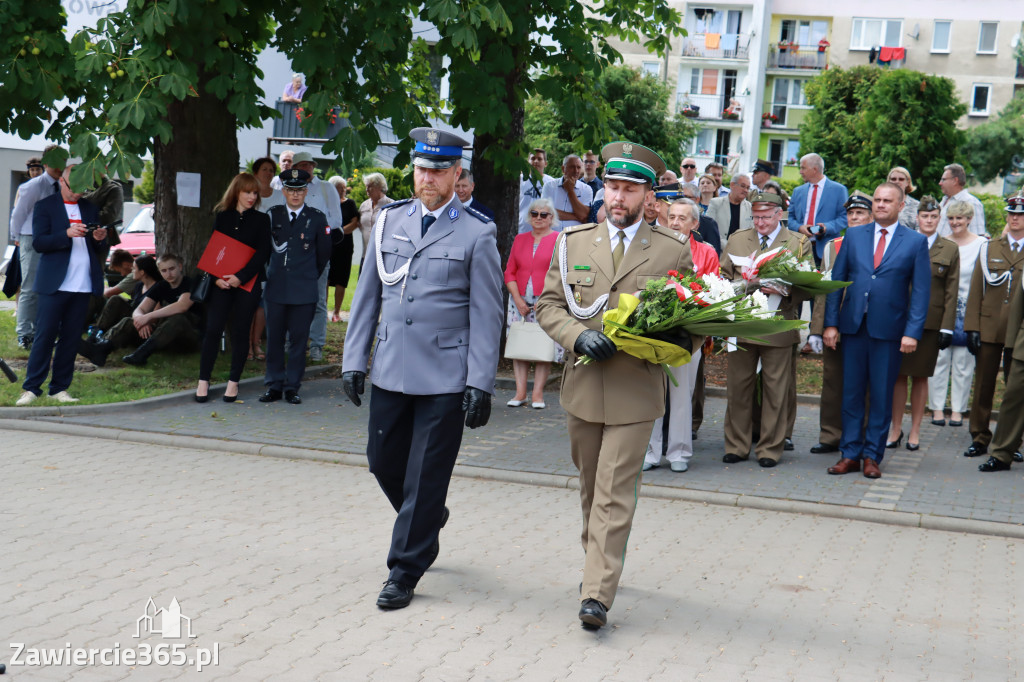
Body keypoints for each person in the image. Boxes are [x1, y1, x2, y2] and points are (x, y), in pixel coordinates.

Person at [535, 141, 697, 630]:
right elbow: (548, 306)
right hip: (584, 386)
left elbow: (687, 326)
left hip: (635, 390)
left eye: (629, 188)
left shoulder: (672, 249)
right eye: (612, 186)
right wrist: (578, 335)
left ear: (649, 196)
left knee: (613, 490)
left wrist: (657, 340)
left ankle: (597, 594)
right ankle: (599, 562)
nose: (618, 196)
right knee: (590, 488)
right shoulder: (573, 242)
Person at [341, 127, 503, 611]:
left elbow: (487, 313)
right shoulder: (390, 221)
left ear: (457, 174)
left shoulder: (478, 232)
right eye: (421, 168)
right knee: (381, 461)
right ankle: (427, 516)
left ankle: (405, 569)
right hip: (391, 366)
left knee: (426, 473)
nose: (427, 177)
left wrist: (480, 382)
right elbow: (367, 296)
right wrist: (354, 360)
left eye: (437, 169)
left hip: (446, 375)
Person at [823, 182, 931, 480]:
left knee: (882, 397)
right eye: (878, 200)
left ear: (900, 205)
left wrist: (912, 332)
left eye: (888, 201)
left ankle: (872, 456)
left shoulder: (914, 242)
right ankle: (849, 454)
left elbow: (921, 293)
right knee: (852, 394)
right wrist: (830, 324)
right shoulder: (854, 236)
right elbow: (836, 283)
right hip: (854, 328)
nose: (881, 205)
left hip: (890, 332)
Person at [720, 191, 810, 467]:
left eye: (765, 217)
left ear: (778, 214)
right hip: (742, 323)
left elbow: (809, 284)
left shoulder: (796, 243)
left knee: (776, 390)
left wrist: (785, 290)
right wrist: (739, 287)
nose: (759, 222)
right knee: (738, 387)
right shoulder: (738, 239)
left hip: (778, 326)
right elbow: (723, 276)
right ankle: (737, 444)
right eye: (755, 216)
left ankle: (771, 447)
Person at [15, 159, 108, 407]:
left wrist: (100, 238)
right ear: (62, 181)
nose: (79, 192)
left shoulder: (90, 207)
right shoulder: (45, 206)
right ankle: (31, 388)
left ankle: (59, 388)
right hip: (54, 283)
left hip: (82, 284)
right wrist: (65, 234)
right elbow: (40, 243)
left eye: (84, 188)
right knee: (44, 336)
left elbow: (99, 246)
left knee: (70, 338)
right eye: (75, 187)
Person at [644, 198, 718, 473]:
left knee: (681, 393)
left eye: (682, 218)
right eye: (671, 216)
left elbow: (712, 292)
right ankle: (651, 452)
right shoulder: (655, 246)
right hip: (657, 333)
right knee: (653, 393)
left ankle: (679, 452)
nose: (675, 222)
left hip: (690, 335)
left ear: (694, 224)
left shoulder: (706, 253)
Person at [886, 195, 958, 450]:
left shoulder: (949, 249)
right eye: (924, 216)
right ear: (917, 218)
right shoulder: (904, 242)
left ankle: (915, 430)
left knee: (920, 377)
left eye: (933, 216)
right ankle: (895, 429)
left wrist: (947, 327)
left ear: (940, 219)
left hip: (929, 323)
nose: (928, 220)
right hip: (899, 319)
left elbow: (952, 291)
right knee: (897, 376)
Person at [195, 173, 272, 403]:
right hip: (221, 283)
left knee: (240, 331)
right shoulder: (223, 216)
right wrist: (217, 277)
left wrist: (240, 277)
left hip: (248, 284)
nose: (251, 196)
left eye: (254, 193)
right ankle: (203, 381)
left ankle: (233, 382)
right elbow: (214, 248)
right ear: (236, 192)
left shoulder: (261, 219)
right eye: (247, 192)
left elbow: (263, 253)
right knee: (212, 329)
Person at [807, 191, 873, 454]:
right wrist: (817, 328)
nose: (854, 217)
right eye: (851, 213)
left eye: (860, 213)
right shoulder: (832, 246)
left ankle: (863, 436)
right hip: (836, 323)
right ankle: (830, 435)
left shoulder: (877, 245)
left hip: (865, 324)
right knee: (833, 382)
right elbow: (824, 289)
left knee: (865, 384)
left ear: (871, 217)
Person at [259, 169, 331, 405]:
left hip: (304, 290)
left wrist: (307, 276)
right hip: (276, 288)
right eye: (290, 190)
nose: (295, 194)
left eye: (300, 190)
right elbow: (264, 252)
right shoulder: (273, 215)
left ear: (306, 192)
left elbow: (323, 256)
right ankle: (274, 385)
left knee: (299, 341)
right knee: (275, 339)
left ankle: (292, 387)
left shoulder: (317, 218)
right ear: (284, 191)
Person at [963, 196, 1024, 458]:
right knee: (983, 385)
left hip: (1019, 330)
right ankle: (979, 436)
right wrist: (971, 327)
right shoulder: (990, 248)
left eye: (1020, 215)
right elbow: (977, 288)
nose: (1015, 218)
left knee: (1016, 389)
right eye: (1011, 213)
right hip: (989, 325)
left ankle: (1013, 442)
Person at [79, 253, 201, 367]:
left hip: (188, 337)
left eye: (172, 269)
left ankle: (141, 354)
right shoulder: (161, 286)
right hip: (164, 337)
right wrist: (141, 320)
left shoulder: (190, 283)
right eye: (164, 271)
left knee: (178, 318)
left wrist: (147, 317)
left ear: (180, 266)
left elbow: (182, 306)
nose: (168, 274)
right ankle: (101, 349)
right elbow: (140, 309)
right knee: (128, 321)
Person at [927, 200, 984, 429]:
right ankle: (937, 408)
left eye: (959, 218)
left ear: (969, 219)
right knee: (939, 359)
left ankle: (959, 410)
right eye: (950, 218)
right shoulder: (942, 244)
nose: (955, 222)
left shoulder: (981, 244)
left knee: (963, 362)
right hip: (943, 308)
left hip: (969, 308)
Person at [504, 198, 560, 409]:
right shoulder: (520, 239)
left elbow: (560, 273)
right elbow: (509, 271)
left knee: (542, 345)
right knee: (520, 344)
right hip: (518, 300)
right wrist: (517, 298)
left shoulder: (558, 239)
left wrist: (546, 298)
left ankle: (537, 394)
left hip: (545, 300)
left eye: (543, 214)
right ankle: (520, 393)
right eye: (534, 214)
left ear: (551, 218)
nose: (538, 218)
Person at [10, 144, 64, 350]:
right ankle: (25, 334)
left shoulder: (61, 184)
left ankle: (46, 331)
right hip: (31, 238)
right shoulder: (33, 186)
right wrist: (16, 237)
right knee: (30, 287)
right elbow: (18, 213)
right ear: (47, 163)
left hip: (54, 238)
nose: (61, 166)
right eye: (57, 161)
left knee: (51, 288)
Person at [290, 152, 342, 362]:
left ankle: (317, 345)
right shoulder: (288, 188)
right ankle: (292, 343)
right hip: (293, 252)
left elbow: (337, 219)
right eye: (301, 165)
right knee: (292, 298)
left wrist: (315, 230)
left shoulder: (326, 188)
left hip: (318, 251)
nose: (306, 169)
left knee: (319, 300)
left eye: (309, 165)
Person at [788, 153, 849, 263]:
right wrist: (799, 227)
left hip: (827, 250)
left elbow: (845, 218)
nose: (800, 171)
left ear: (814, 169)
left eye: (803, 168)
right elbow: (789, 217)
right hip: (800, 249)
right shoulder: (798, 191)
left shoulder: (839, 190)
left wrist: (826, 227)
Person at [250, 157, 281, 360]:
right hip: (250, 253)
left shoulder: (280, 196)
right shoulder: (249, 196)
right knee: (248, 301)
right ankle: (246, 345)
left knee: (262, 302)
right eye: (264, 169)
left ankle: (257, 342)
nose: (268, 173)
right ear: (255, 173)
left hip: (273, 253)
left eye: (271, 170)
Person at [91, 254, 161, 336]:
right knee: (115, 299)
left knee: (125, 318)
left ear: (142, 272)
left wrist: (144, 320)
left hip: (144, 323)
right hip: (134, 315)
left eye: (134, 268)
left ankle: (103, 338)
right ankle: (98, 331)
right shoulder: (139, 285)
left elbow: (155, 317)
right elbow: (134, 304)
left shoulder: (158, 288)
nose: (132, 271)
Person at [327, 176, 360, 322]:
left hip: (345, 246)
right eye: (339, 188)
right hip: (328, 245)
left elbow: (355, 223)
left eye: (343, 188)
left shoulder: (350, 203)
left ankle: (336, 312)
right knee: (326, 278)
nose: (342, 190)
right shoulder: (327, 203)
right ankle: (323, 311)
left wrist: (339, 231)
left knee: (342, 279)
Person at [542, 154, 593, 229]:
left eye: (579, 167)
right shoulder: (549, 186)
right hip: (552, 236)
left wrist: (570, 190)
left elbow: (583, 215)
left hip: (575, 237)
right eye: (572, 167)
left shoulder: (586, 189)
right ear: (563, 169)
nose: (576, 171)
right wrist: (576, 216)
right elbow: (545, 212)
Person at [937, 163, 986, 237]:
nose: (940, 183)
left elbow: (977, 236)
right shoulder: (944, 200)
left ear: (955, 180)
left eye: (943, 179)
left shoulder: (971, 202)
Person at [677, 183, 722, 254]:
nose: (681, 200)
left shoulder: (709, 224)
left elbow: (714, 254)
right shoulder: (672, 221)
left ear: (697, 199)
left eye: (686, 197)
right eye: (679, 197)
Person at [706, 172, 752, 242]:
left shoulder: (749, 207)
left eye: (748, 188)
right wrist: (727, 246)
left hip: (741, 249)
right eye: (743, 186)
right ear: (732, 185)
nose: (745, 190)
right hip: (719, 248)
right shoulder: (716, 203)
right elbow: (709, 229)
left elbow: (751, 232)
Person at [358, 172, 393, 261]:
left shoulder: (392, 205)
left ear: (380, 186)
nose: (367, 189)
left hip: (383, 257)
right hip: (365, 256)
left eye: (370, 186)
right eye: (366, 186)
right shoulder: (363, 205)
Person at [888, 166, 920, 231]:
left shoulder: (917, 206)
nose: (897, 182)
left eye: (901, 179)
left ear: (907, 182)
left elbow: (920, 230)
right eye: (893, 179)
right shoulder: (881, 203)